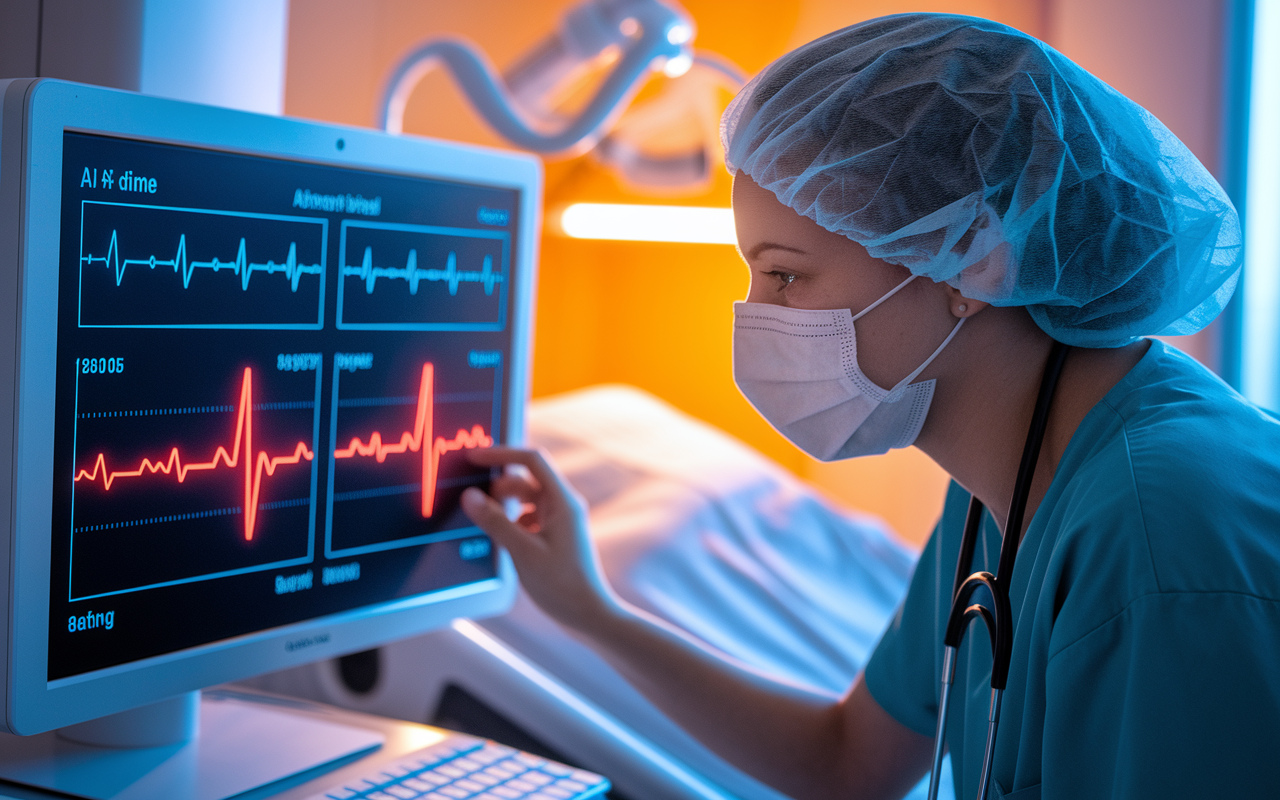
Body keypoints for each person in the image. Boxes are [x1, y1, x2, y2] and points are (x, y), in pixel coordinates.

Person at [460, 13, 1280, 800]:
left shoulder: (1162, 539)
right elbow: (847, 765)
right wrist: (591, 611)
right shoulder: (1013, 474)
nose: (760, 317)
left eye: (784, 275)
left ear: (970, 260)